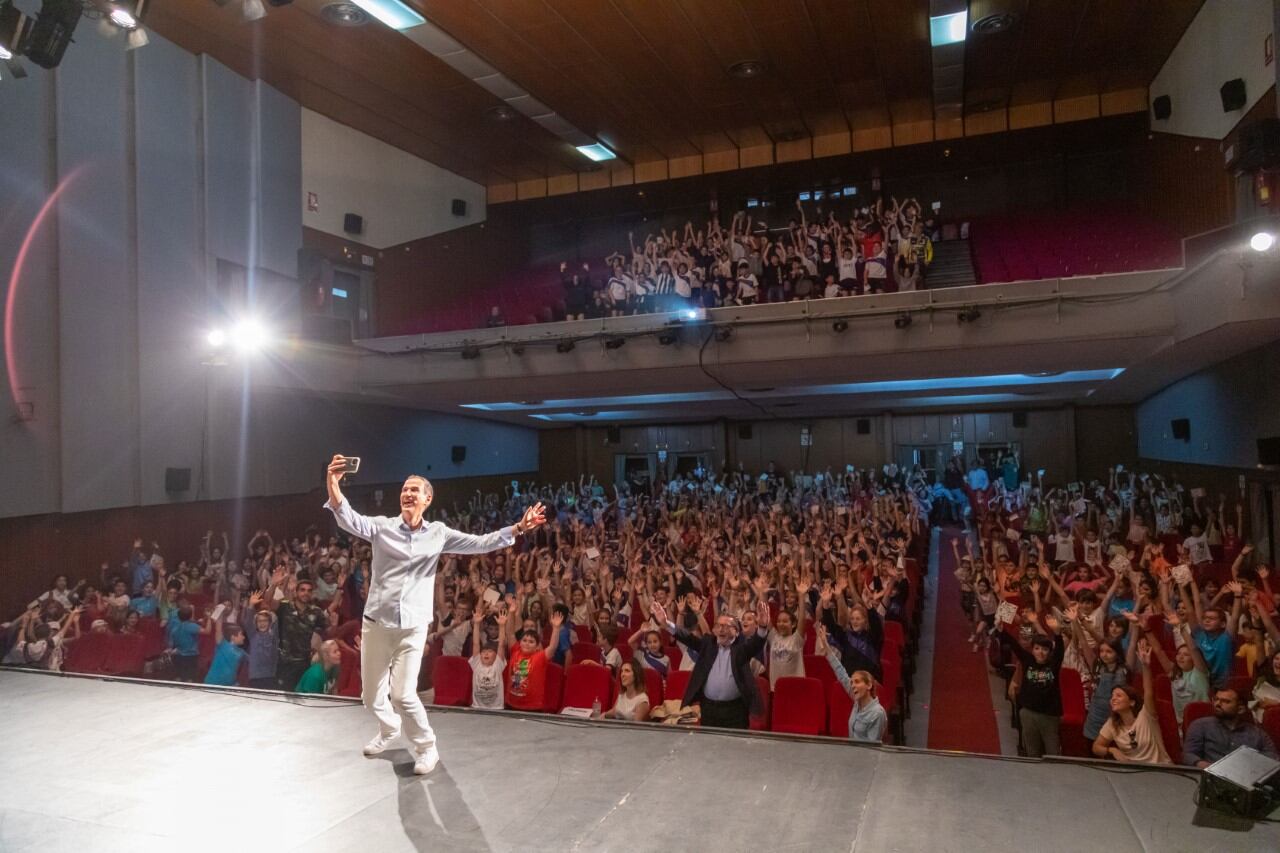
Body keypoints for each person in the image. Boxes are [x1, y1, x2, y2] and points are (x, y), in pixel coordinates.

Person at [325, 454, 546, 775]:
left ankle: (427, 748)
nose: (407, 493)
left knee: (402, 694)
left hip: (413, 628)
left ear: (427, 499)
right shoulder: (382, 528)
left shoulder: (438, 533)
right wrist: (333, 484)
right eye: (404, 489)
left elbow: (481, 543)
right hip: (376, 624)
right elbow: (348, 518)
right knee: (370, 696)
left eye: (414, 489)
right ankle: (388, 729)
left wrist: (518, 528)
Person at [652, 598, 770, 730]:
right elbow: (687, 638)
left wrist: (763, 626)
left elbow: (756, 643)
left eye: (726, 626)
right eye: (718, 625)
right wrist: (666, 623)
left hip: (735, 711)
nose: (721, 629)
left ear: (737, 632)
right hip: (708, 708)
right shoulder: (708, 645)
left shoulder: (741, 649)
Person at [997, 616, 1065, 758]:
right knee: (1032, 751)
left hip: (1049, 716)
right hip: (1028, 713)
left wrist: (1057, 633)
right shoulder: (1027, 660)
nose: (1040, 652)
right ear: (1032, 650)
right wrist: (1001, 630)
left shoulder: (1053, 664)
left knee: (1053, 753)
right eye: (1037, 648)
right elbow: (1015, 645)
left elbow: (1059, 651)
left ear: (1049, 652)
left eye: (1045, 649)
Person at [1091, 643, 1170, 765]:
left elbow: (1148, 692)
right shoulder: (1113, 723)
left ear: (1132, 702)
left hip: (1159, 769)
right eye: (1112, 696)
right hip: (1131, 773)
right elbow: (1096, 747)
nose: (1113, 699)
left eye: (1119, 696)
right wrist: (1112, 750)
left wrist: (1145, 666)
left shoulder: (1146, 716)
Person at [816, 624, 885, 742]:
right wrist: (827, 647)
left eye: (857, 682)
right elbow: (841, 672)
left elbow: (872, 749)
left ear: (869, 685)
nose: (852, 685)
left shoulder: (877, 713)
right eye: (852, 682)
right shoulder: (857, 700)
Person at [1181, 687, 1280, 767]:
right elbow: (1188, 755)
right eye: (1216, 699)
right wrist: (1205, 766)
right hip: (1211, 779)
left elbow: (1273, 759)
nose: (1217, 704)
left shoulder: (1257, 734)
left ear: (1240, 709)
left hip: (1246, 780)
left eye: (1226, 701)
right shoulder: (1200, 725)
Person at [469, 602, 506, 711]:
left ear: (496, 656)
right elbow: (476, 644)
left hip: (496, 708)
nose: (485, 653)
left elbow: (501, 645)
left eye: (490, 651)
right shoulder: (477, 664)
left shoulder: (498, 666)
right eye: (484, 651)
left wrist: (502, 626)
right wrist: (476, 624)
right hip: (477, 707)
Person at [203, 617, 248, 687]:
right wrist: (221, 612)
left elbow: (253, 660)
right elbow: (218, 629)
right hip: (212, 685)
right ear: (233, 637)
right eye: (241, 634)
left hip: (229, 686)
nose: (243, 637)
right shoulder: (222, 644)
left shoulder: (242, 652)